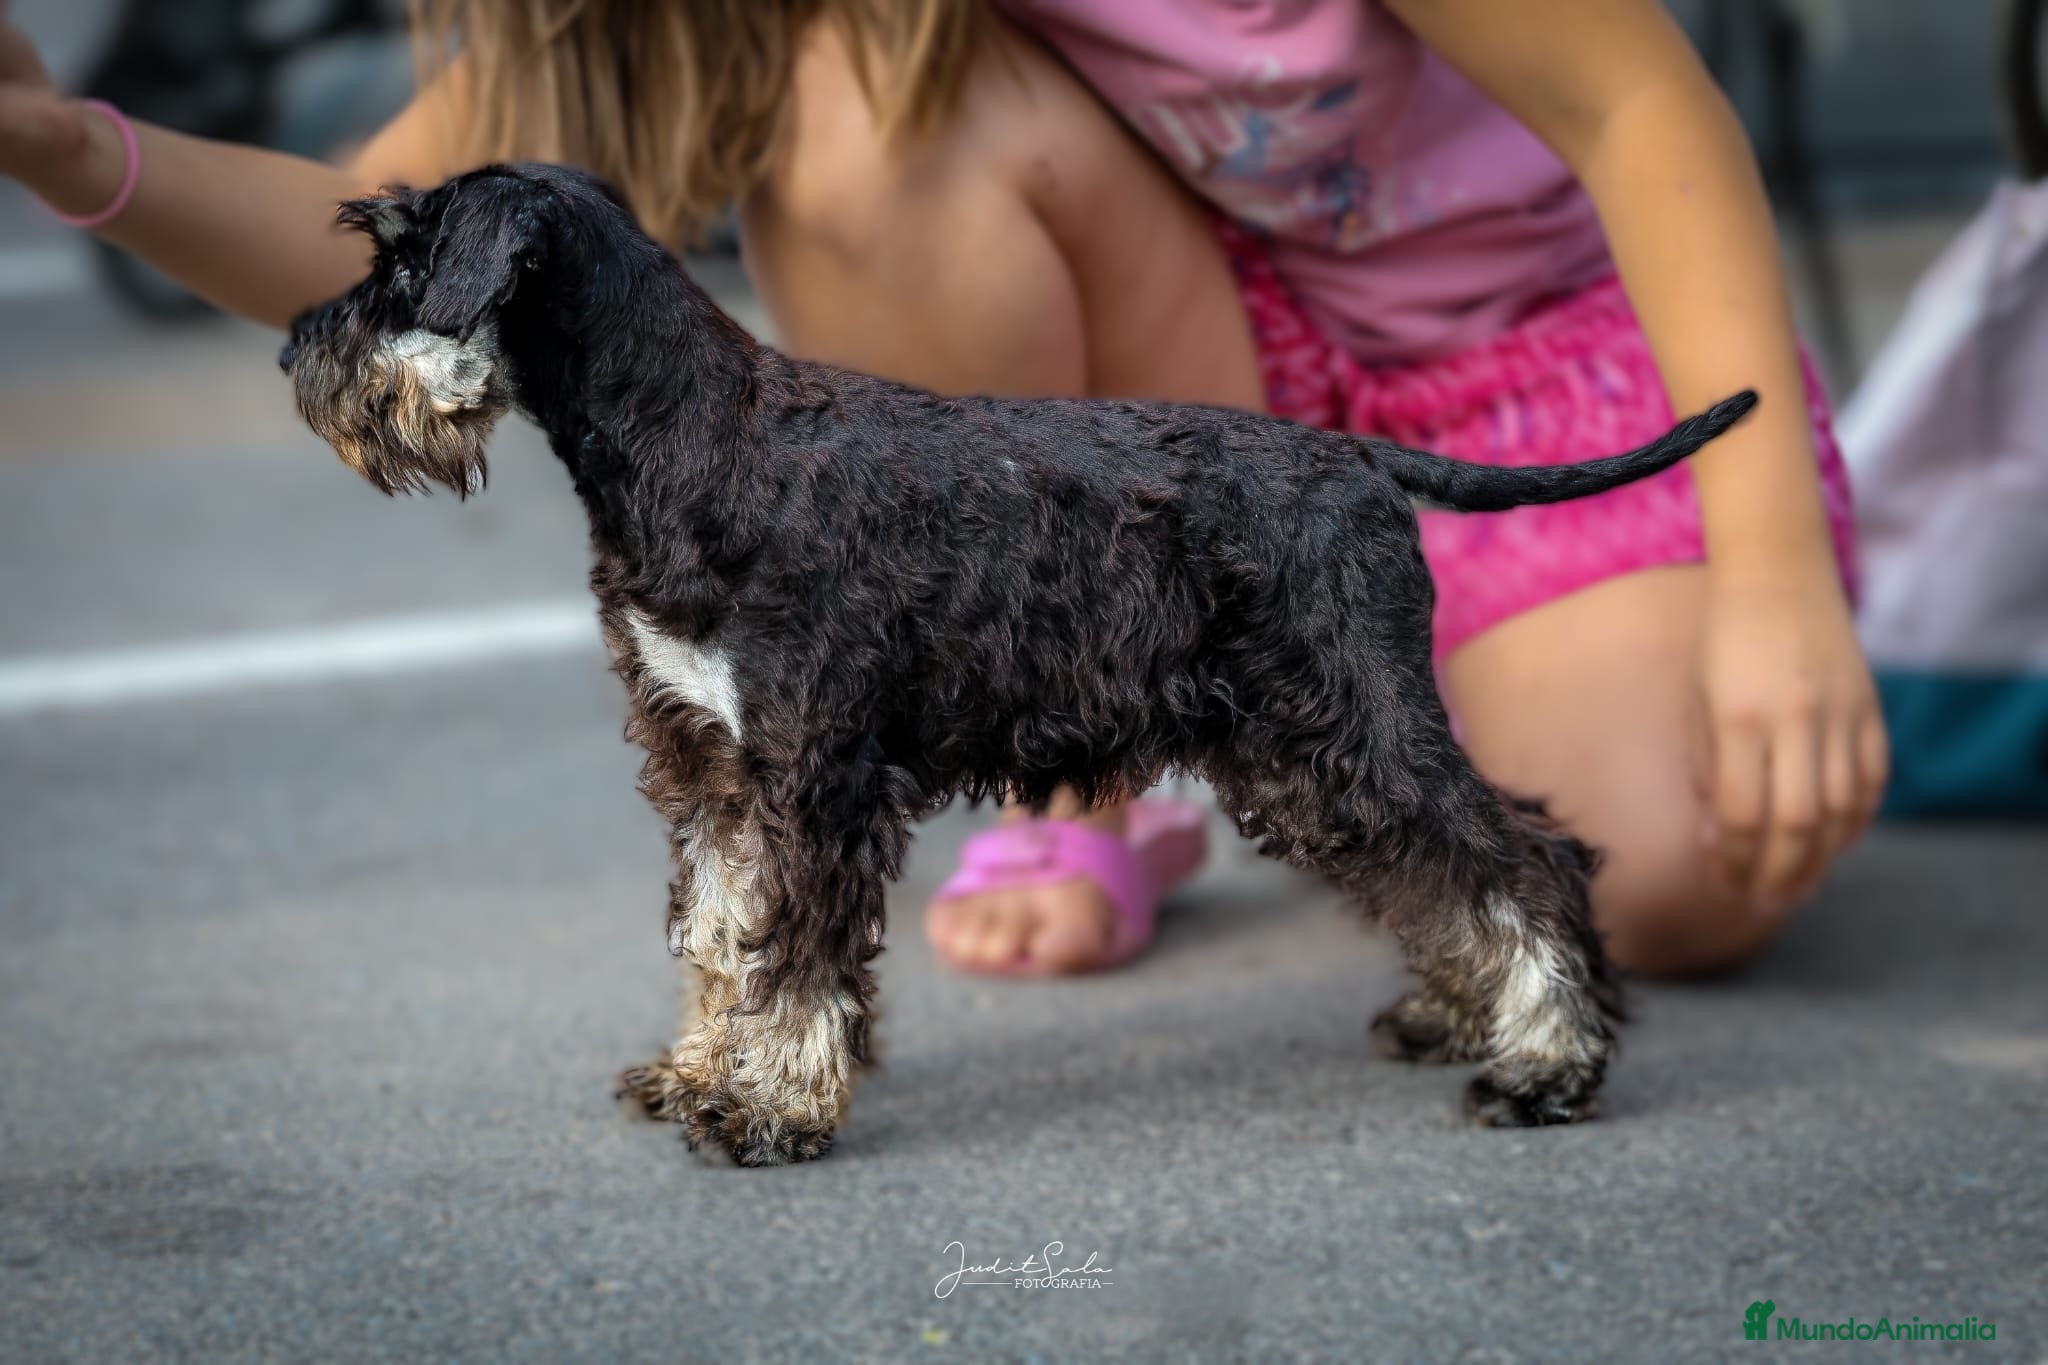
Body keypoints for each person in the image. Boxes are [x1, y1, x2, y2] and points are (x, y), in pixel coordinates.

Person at [0, 0, 1887, 979]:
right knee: (855, 115)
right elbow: (376, 233)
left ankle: (1340, 713)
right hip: (1201, 385)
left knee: (1680, 869)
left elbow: (1645, 105)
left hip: (1535, 355)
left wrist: (1775, 581)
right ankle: (1097, 770)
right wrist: (75, 145)